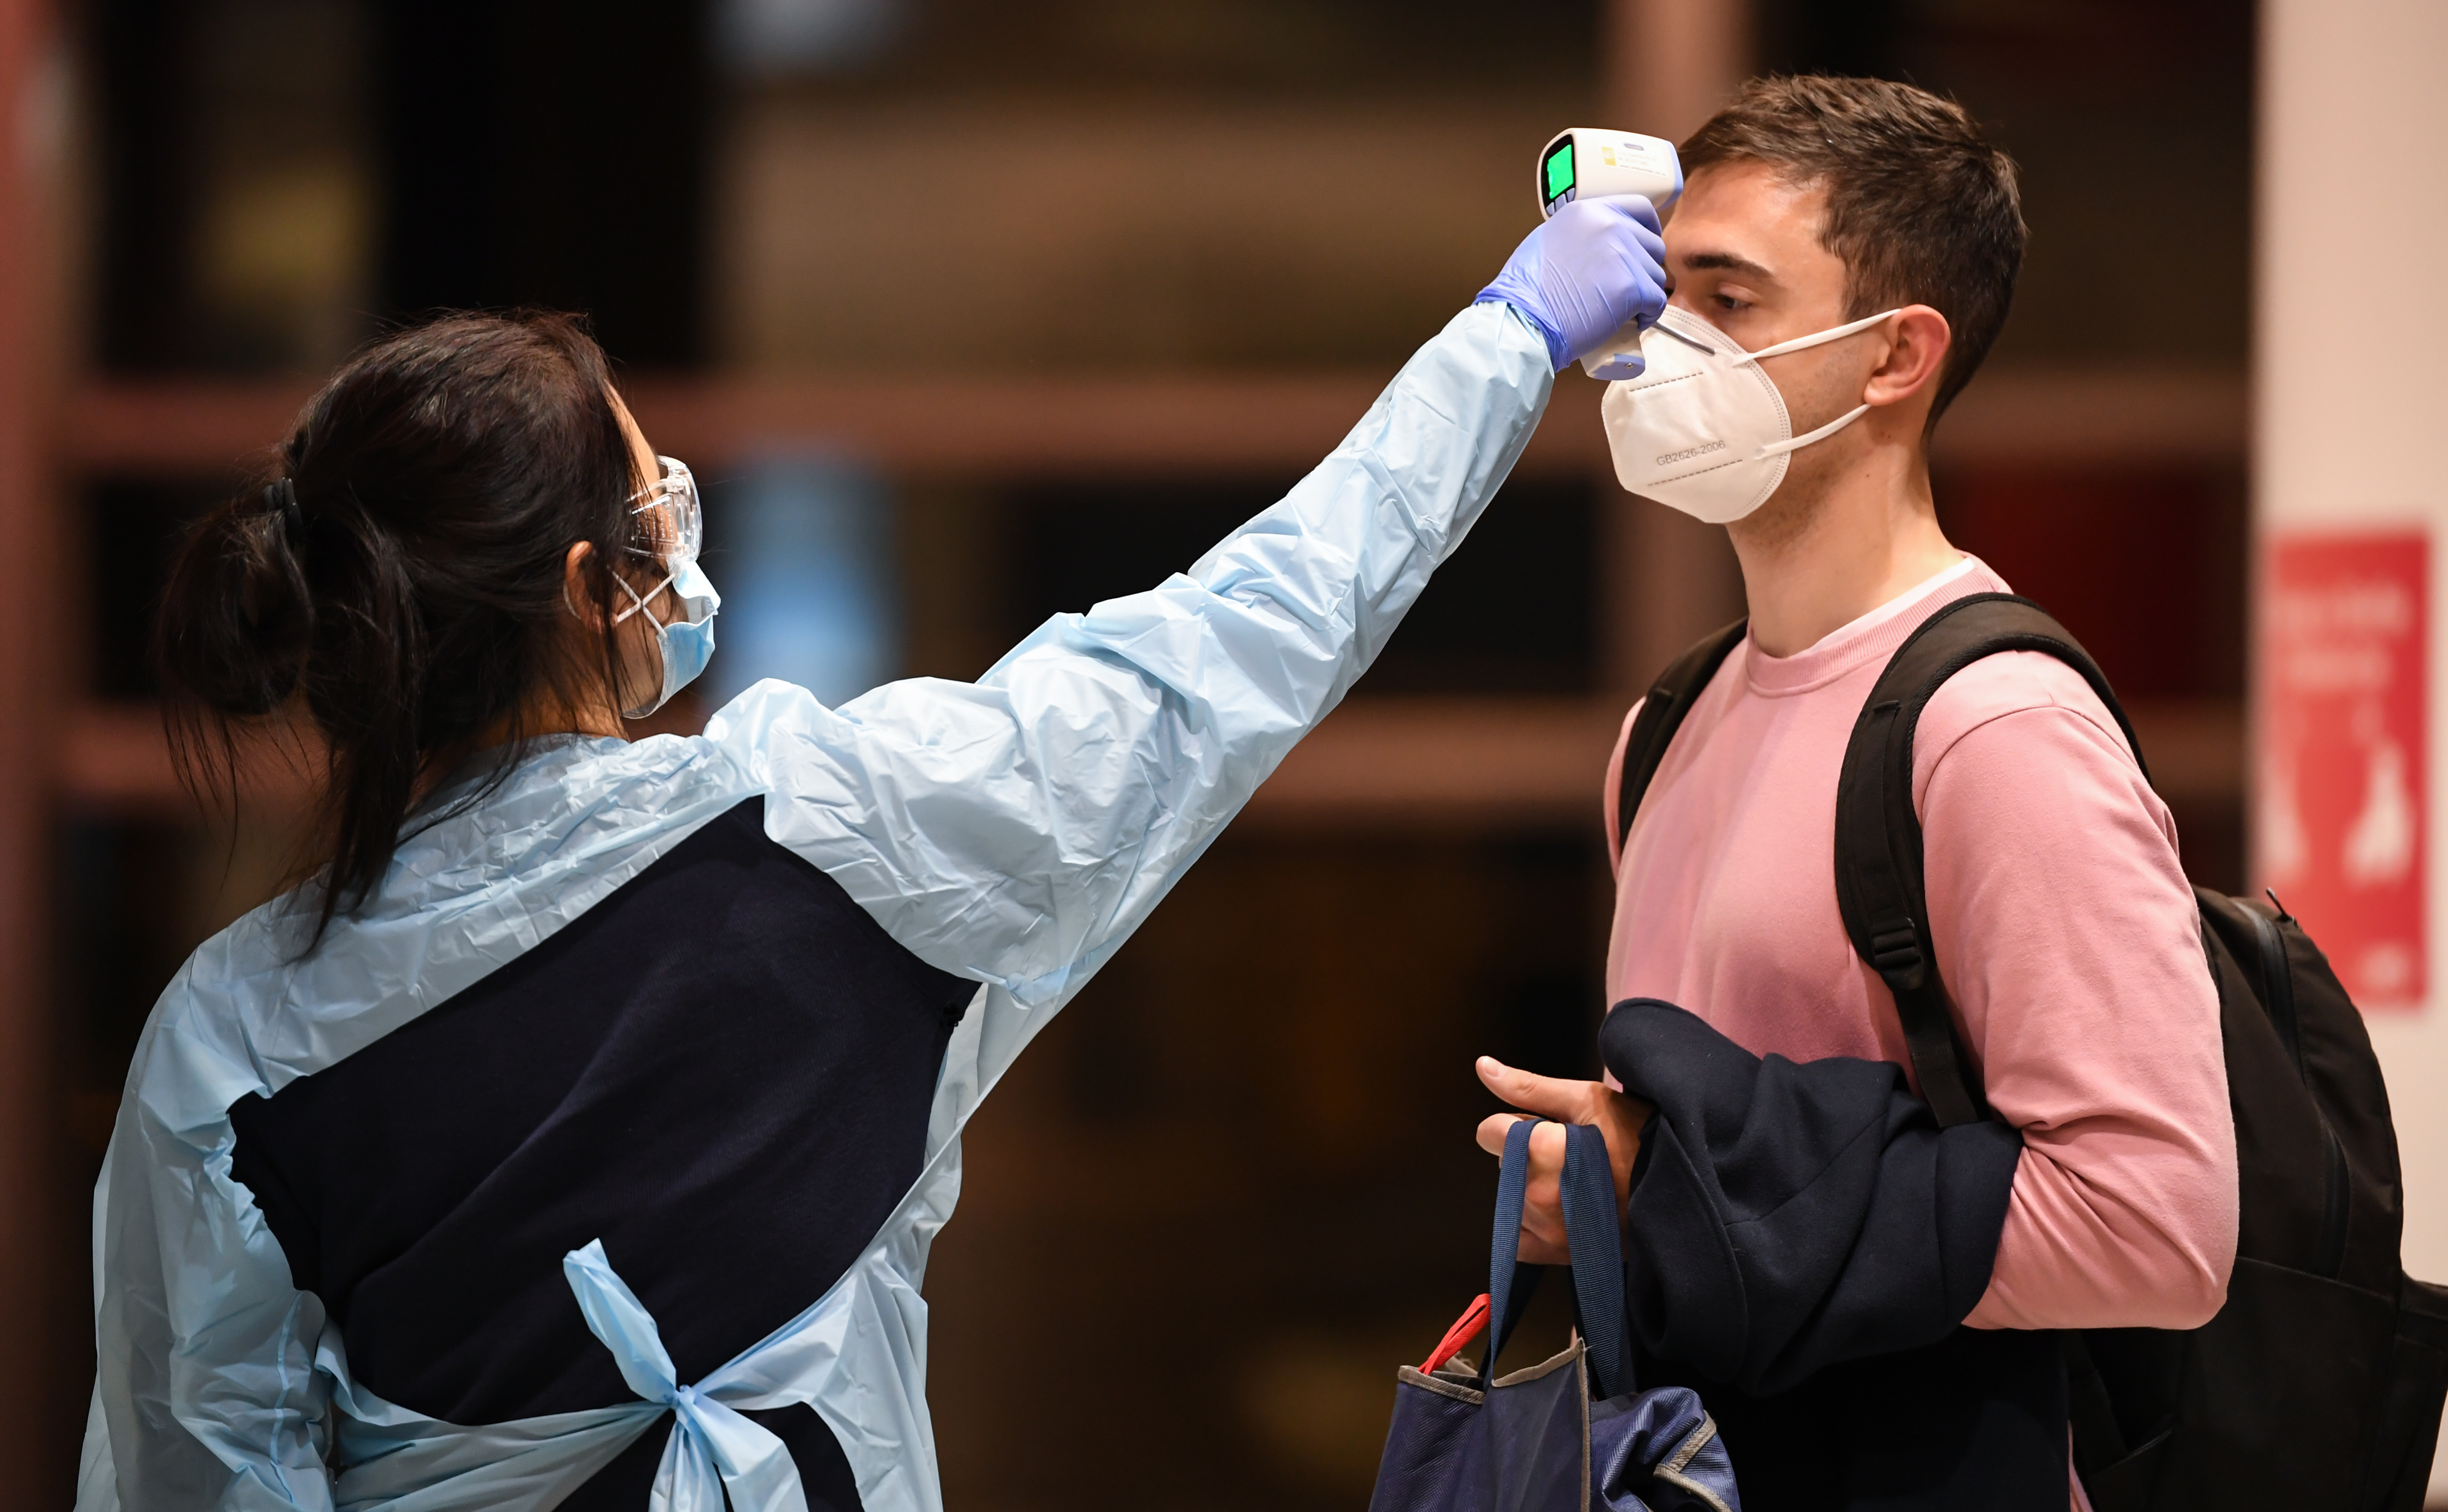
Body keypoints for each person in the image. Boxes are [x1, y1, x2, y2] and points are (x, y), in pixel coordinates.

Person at [77, 191, 1668, 1512]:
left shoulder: (232, 1048)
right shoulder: (840, 835)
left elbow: (195, 1468)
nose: (676, 539)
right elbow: (1242, 637)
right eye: (659, 506)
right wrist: (1510, 339)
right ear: (587, 587)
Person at [1472, 76, 2236, 1510]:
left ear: (1895, 357)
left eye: (1731, 297)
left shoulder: (1996, 729)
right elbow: (1725, 1191)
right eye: (1658, 287)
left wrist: (1682, 1195)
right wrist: (1615, 1206)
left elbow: (2160, 1224)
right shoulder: (1665, 729)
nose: (1655, 342)